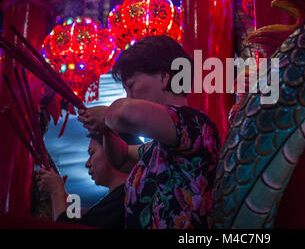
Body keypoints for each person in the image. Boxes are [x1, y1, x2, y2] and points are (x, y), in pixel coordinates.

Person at [77, 36, 221, 229]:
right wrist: (107, 130)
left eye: (131, 86)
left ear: (164, 78)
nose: (128, 96)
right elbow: (121, 159)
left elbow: (122, 112)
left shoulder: (195, 124)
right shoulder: (156, 146)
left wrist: (108, 115)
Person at [36, 133, 129, 228]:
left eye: (92, 153)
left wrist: (56, 191)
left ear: (112, 150)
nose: (87, 164)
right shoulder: (119, 198)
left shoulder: (125, 197)